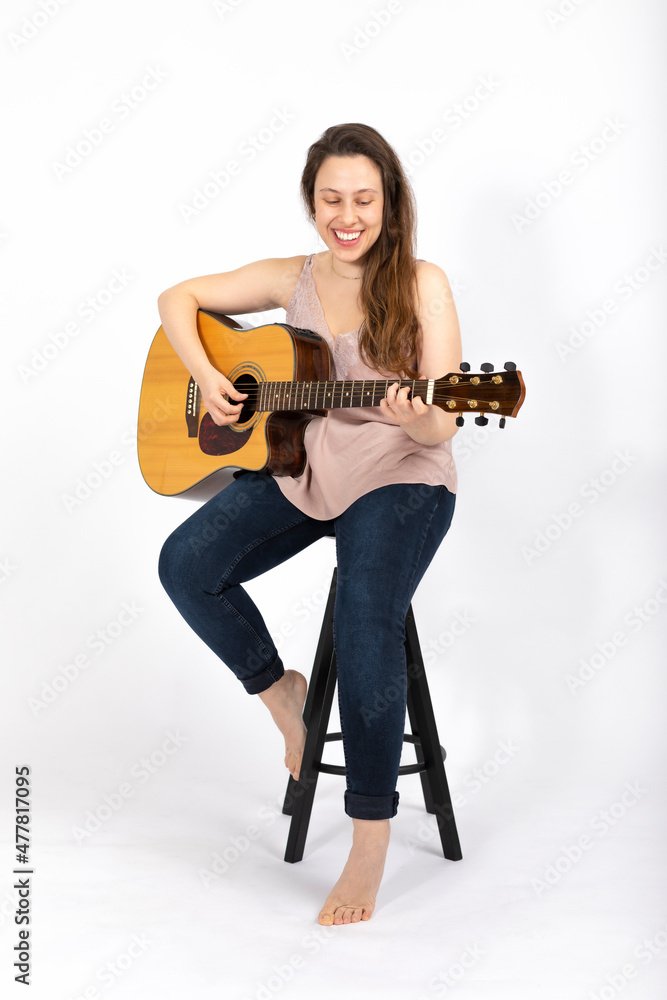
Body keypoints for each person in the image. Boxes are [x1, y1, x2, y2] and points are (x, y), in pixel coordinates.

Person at [156, 123, 462, 925]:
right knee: (185, 565)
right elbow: (176, 299)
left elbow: (445, 423)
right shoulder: (289, 278)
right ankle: (281, 695)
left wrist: (420, 417)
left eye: (363, 198)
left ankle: (367, 843)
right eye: (331, 199)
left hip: (400, 476)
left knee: (367, 620)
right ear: (311, 201)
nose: (346, 215)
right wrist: (210, 380)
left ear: (390, 205)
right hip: (303, 471)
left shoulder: (422, 284)